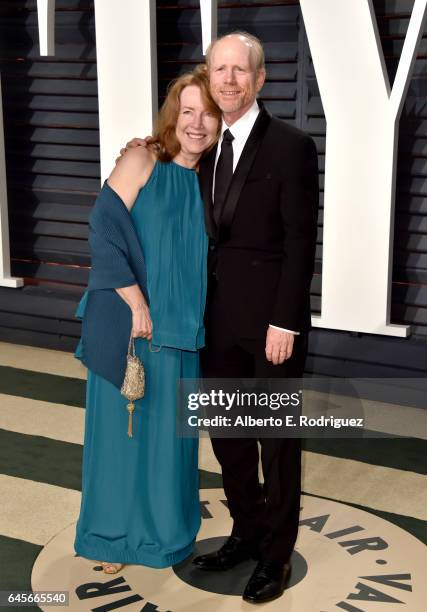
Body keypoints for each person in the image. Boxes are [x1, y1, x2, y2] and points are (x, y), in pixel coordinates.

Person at [123, 31, 319, 604]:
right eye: (219, 70)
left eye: (240, 70)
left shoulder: (290, 145)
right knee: (230, 438)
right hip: (211, 321)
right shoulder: (203, 144)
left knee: (276, 441)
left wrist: (286, 321)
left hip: (271, 327)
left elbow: (302, 240)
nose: (228, 80)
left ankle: (277, 556)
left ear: (260, 80)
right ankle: (247, 531)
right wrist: (142, 151)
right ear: (208, 78)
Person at [73, 68, 220, 574]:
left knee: (170, 447)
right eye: (188, 111)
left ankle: (167, 539)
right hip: (130, 326)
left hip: (184, 330)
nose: (197, 123)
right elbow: (102, 227)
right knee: (122, 439)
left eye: (209, 113)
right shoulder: (142, 159)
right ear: (172, 115)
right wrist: (135, 301)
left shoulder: (213, 178)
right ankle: (113, 540)